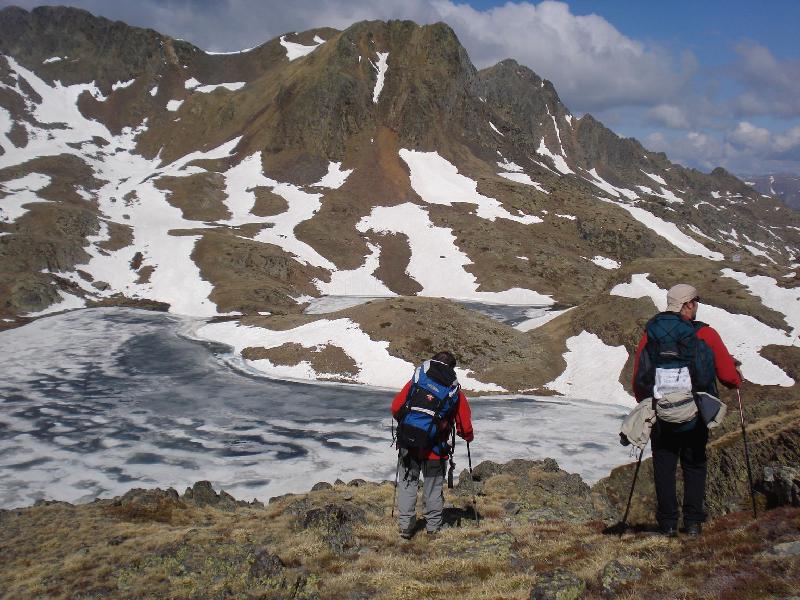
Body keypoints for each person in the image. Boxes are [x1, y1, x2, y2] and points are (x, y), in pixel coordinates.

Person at [633, 283, 741, 537]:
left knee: (664, 464)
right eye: (695, 302)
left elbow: (640, 376)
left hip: (661, 412)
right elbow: (727, 375)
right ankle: (693, 523)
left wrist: (649, 404)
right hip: (695, 411)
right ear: (689, 304)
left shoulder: (652, 333)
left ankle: (668, 524)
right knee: (694, 464)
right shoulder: (705, 334)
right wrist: (736, 380)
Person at [391, 351, 474, 539]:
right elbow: (465, 427)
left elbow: (396, 407)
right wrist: (467, 437)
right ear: (452, 368)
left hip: (408, 446)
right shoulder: (453, 391)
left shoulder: (418, 380)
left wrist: (411, 425)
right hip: (435, 449)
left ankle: (405, 527)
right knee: (433, 488)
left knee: (407, 485)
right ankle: (433, 528)